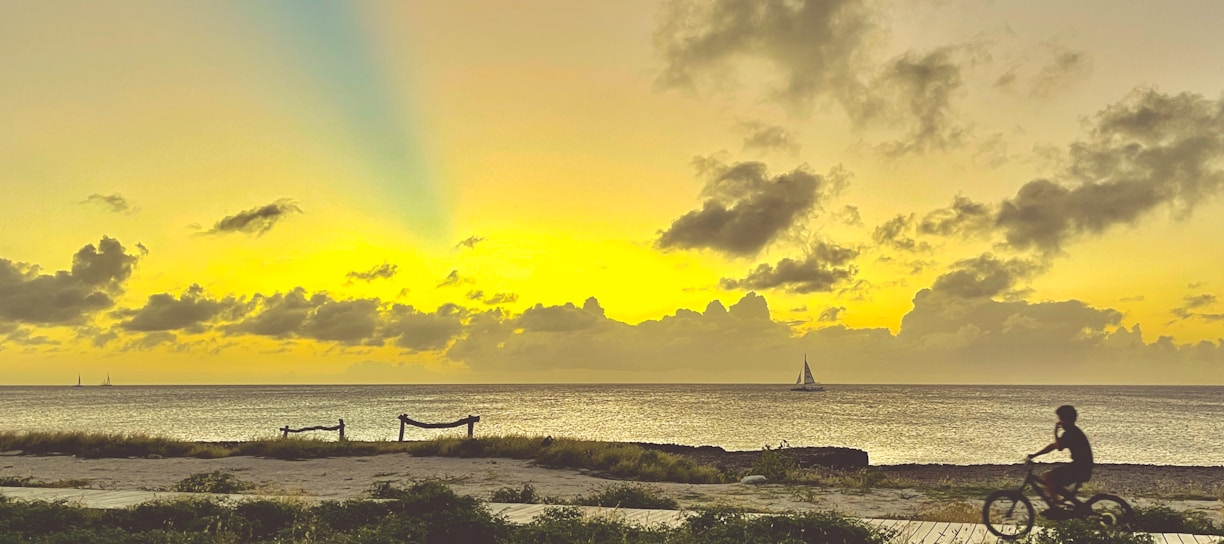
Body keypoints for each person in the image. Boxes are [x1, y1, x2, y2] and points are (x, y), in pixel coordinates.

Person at [1028, 405, 1093, 517]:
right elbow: (1053, 446)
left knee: (1048, 477)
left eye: (1060, 419)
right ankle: (1066, 505)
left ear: (1065, 419)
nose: (1059, 421)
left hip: (1080, 468)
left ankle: (1056, 507)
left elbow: (1058, 446)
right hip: (1082, 467)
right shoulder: (1072, 431)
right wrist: (1035, 455)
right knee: (1054, 483)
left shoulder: (1071, 433)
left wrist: (1055, 431)